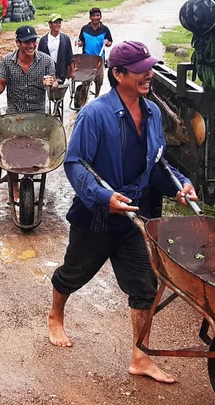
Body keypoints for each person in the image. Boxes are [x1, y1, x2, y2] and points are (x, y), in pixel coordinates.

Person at [47, 40, 197, 384]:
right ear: (118, 74)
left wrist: (181, 185)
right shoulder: (94, 114)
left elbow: (157, 164)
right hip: (97, 215)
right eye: (140, 70)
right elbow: (76, 164)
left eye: (149, 68)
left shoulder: (153, 112)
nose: (148, 75)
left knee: (144, 286)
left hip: (136, 215)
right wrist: (103, 197)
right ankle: (56, 314)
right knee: (74, 274)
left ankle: (140, 357)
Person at [0, 25, 57, 114]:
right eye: (27, 42)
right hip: (14, 114)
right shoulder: (7, 61)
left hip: (39, 114)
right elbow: (0, 87)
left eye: (33, 41)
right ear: (18, 43)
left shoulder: (46, 60)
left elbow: (54, 83)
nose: (31, 46)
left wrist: (51, 84)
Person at [37, 13, 75, 107]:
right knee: (49, 92)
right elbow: (38, 58)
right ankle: (52, 108)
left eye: (59, 22)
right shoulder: (44, 40)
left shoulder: (65, 39)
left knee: (59, 93)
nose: (58, 25)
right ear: (50, 24)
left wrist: (72, 71)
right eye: (55, 23)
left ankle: (57, 107)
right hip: (48, 72)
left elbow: (70, 56)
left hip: (61, 70)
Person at [76, 7, 113, 96]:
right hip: (86, 59)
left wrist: (107, 43)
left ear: (100, 16)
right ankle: (84, 97)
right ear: (90, 17)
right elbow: (81, 41)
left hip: (99, 59)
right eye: (93, 16)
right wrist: (79, 43)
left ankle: (97, 96)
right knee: (85, 81)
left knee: (99, 81)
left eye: (97, 15)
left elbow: (110, 42)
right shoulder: (85, 29)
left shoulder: (105, 29)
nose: (96, 17)